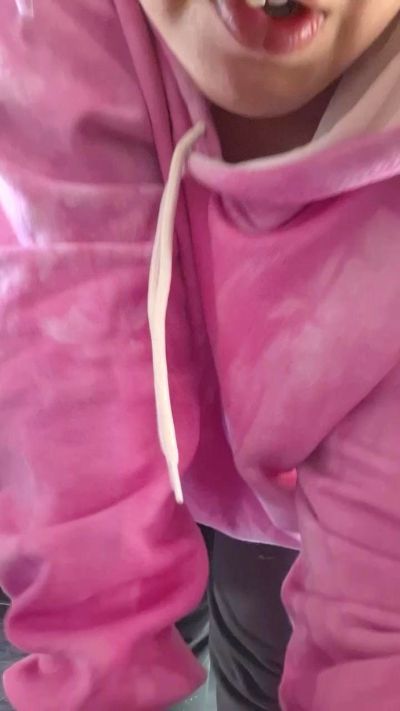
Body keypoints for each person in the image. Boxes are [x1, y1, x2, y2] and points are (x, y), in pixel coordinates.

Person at [0, 0, 399, 709]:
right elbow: (68, 396)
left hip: (295, 509)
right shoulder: (52, 29)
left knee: (259, 647)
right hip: (103, 468)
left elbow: (379, 632)